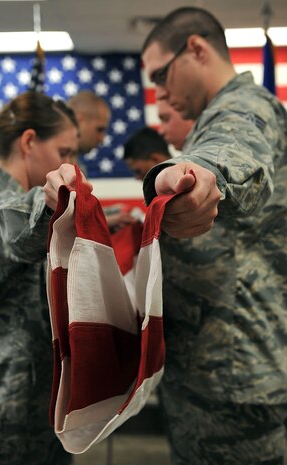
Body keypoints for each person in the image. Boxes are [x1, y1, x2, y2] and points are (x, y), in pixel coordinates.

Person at [139, 6, 287, 465]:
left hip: (233, 384)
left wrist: (190, 176)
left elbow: (228, 150)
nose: (160, 92)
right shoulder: (216, 112)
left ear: (197, 49)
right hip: (213, 370)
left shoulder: (243, 107)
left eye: (162, 75)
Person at [0, 91, 86, 465]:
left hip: (30, 414)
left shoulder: (1, 198)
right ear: (29, 142)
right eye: (65, 153)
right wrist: (47, 205)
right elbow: (13, 227)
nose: (72, 164)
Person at [68, 89, 136, 231]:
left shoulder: (75, 163)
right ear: (78, 121)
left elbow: (78, 213)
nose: (102, 139)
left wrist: (114, 212)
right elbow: (57, 221)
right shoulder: (52, 161)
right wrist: (107, 222)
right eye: (99, 129)